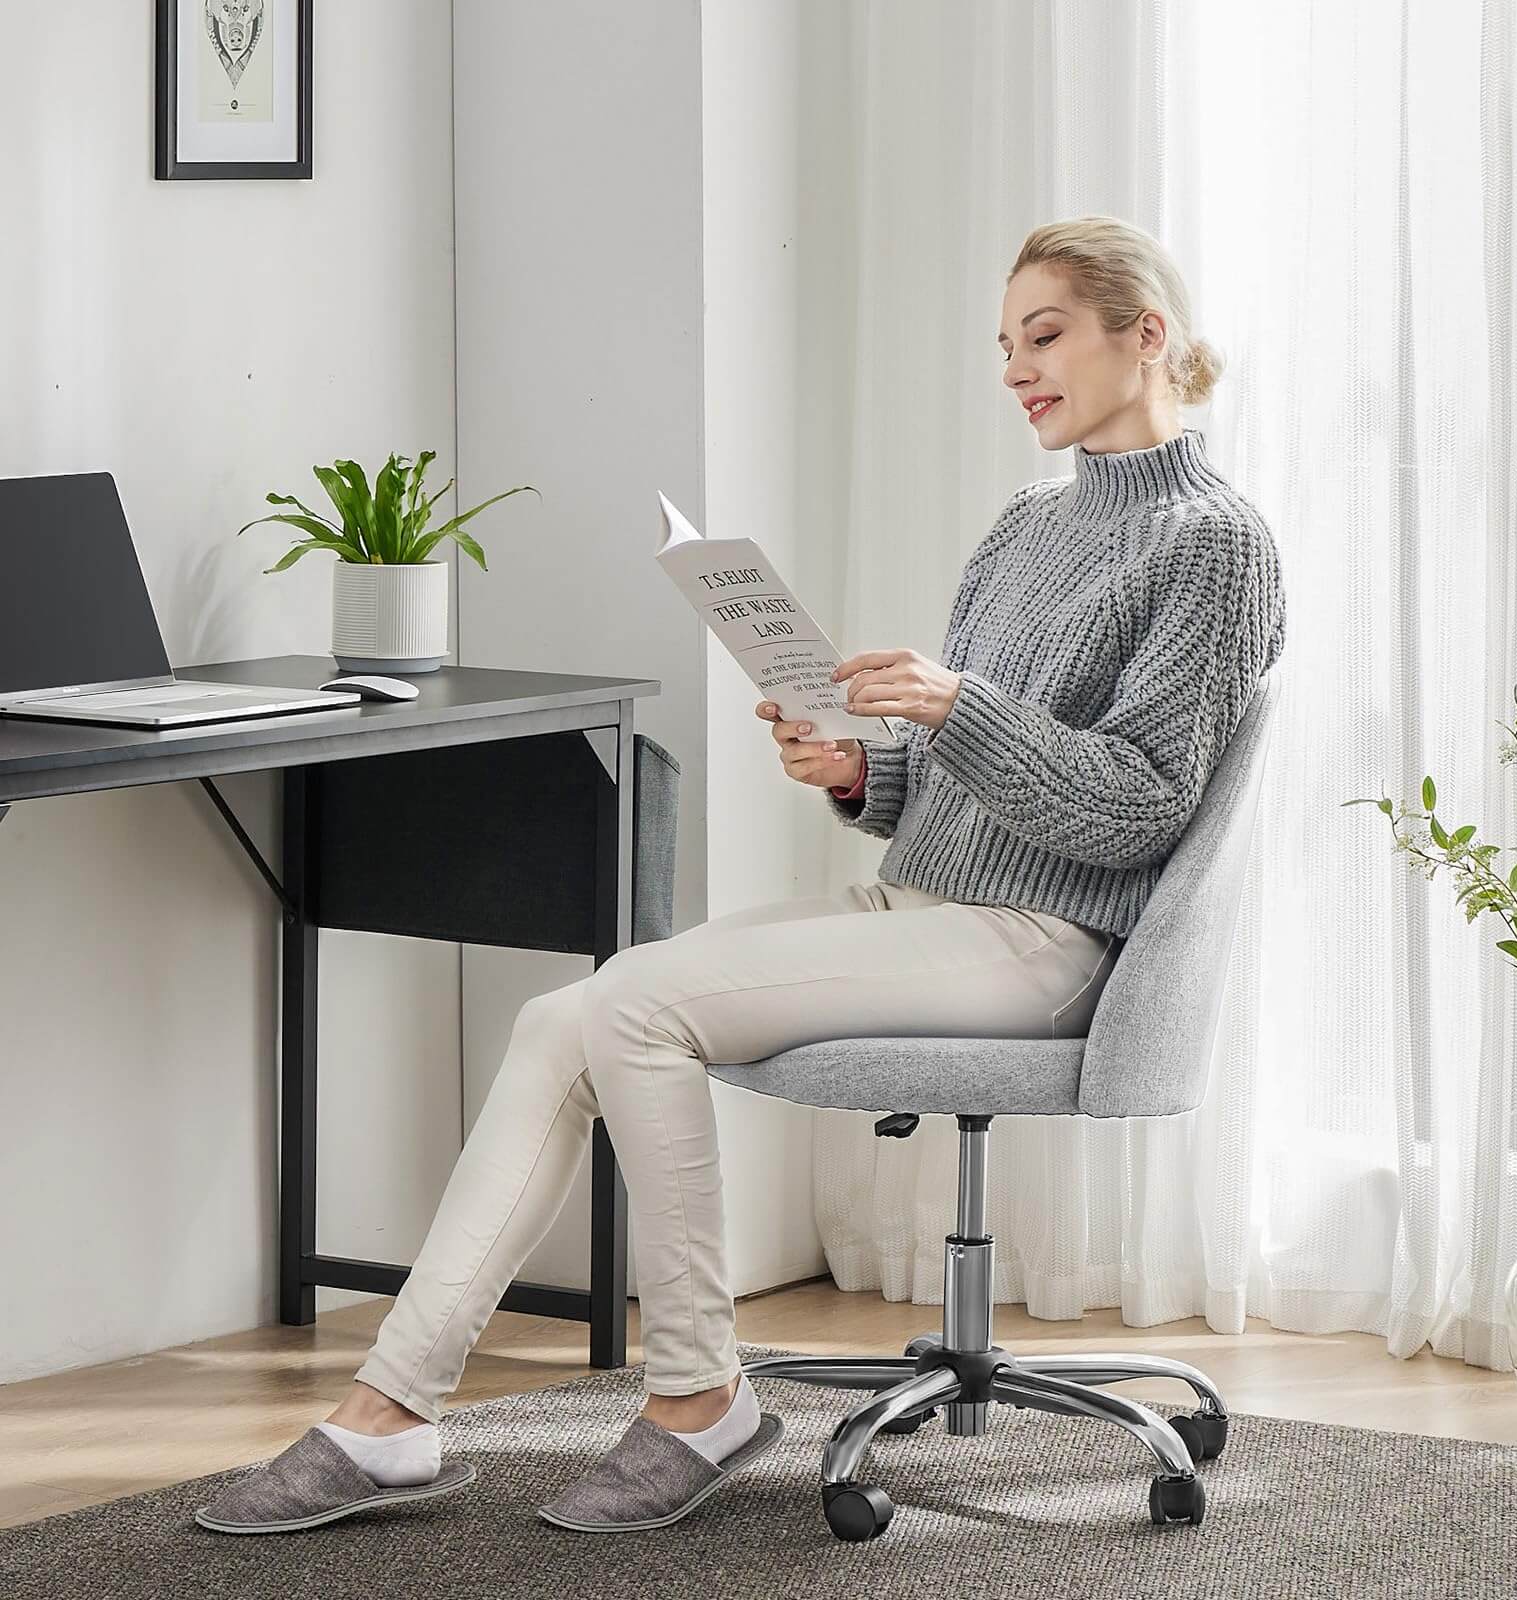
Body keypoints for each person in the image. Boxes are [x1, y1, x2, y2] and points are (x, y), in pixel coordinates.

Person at [194, 214, 1286, 1535]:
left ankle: (696, 1397)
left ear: (1145, 332)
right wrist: (858, 769)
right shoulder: (1021, 530)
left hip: (1051, 942)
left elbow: (1138, 808)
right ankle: (388, 1415)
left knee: (632, 1005)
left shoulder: (1214, 543)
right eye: (1005, 347)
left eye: (1043, 337)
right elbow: (956, 789)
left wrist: (958, 707)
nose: (1016, 370)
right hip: (933, 910)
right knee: (565, 1020)